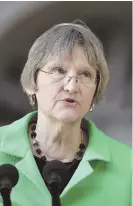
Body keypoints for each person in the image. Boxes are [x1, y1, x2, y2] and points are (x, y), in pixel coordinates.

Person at [0, 20, 131, 206]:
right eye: (58, 70)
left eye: (85, 74)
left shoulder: (127, 165)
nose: (71, 86)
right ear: (31, 83)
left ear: (95, 92)